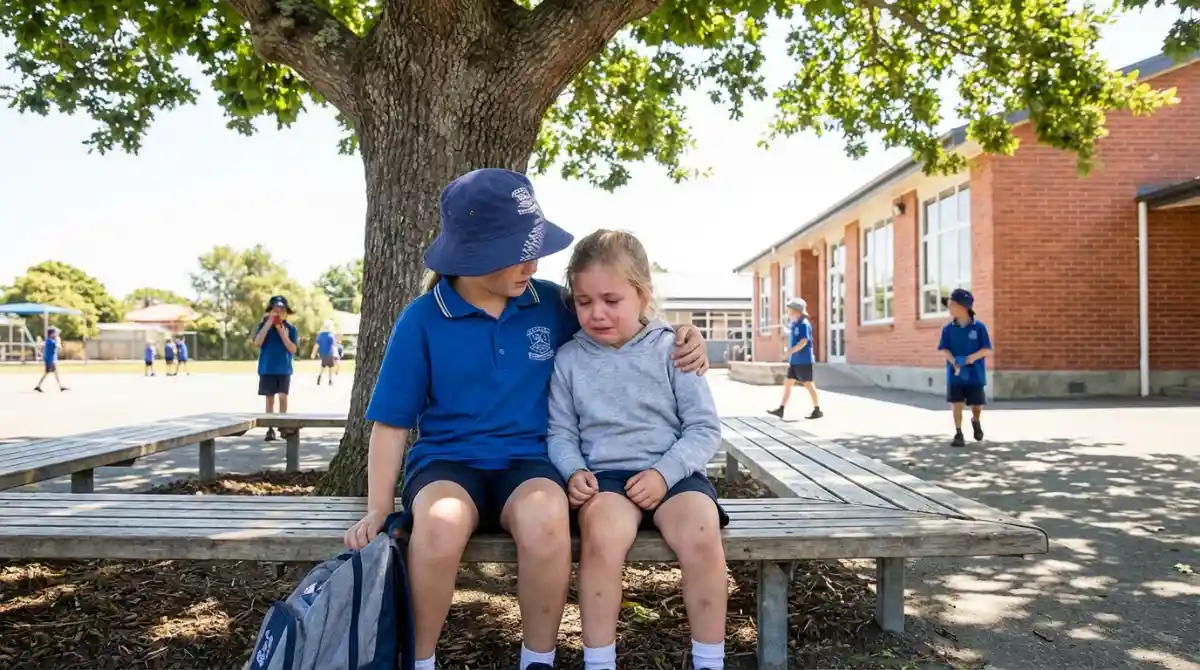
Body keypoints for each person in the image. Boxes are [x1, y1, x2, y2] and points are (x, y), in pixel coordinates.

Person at [342, 168, 710, 670]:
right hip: (449, 465)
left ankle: (538, 658)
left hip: (531, 463)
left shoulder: (549, 304)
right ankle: (419, 660)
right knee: (441, 525)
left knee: (546, 518)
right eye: (520, 251)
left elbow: (625, 321)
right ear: (472, 254)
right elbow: (390, 423)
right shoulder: (423, 319)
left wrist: (686, 334)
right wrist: (379, 508)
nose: (533, 263)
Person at [547, 230, 728, 670]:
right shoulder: (568, 359)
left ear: (642, 294)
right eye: (584, 302)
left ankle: (710, 660)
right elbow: (560, 432)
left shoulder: (674, 350)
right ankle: (599, 662)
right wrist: (572, 471)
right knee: (601, 539)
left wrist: (664, 474)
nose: (597, 313)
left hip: (674, 475)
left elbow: (704, 428)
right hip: (605, 479)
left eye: (612, 300)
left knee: (702, 536)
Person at [938, 288, 993, 447]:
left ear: (963, 307)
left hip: (975, 373)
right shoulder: (947, 329)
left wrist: (969, 359)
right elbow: (944, 348)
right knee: (956, 403)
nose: (949, 307)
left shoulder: (979, 327)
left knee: (976, 405)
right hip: (955, 373)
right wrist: (953, 361)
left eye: (952, 304)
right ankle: (958, 433)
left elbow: (985, 349)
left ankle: (975, 420)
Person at [767, 297, 822, 420]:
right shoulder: (794, 324)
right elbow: (793, 339)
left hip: (804, 360)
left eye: (790, 310)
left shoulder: (803, 324)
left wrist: (789, 352)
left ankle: (817, 409)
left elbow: (803, 341)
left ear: (797, 311)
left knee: (808, 384)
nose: (788, 313)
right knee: (788, 384)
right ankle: (781, 409)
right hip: (795, 361)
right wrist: (788, 349)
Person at [254, 295, 299, 442]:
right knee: (270, 399)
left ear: (286, 312)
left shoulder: (290, 329)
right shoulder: (263, 327)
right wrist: (268, 324)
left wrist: (282, 333)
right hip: (267, 368)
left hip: (284, 369)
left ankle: (282, 425)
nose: (278, 313)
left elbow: (292, 349)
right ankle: (270, 427)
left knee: (283, 397)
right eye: (275, 309)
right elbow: (257, 342)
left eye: (281, 310)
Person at [34, 327, 67, 392]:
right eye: (54, 333)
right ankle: (60, 387)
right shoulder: (51, 342)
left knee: (50, 373)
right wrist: (59, 340)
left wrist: (57, 339)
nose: (55, 334)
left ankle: (38, 386)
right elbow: (59, 347)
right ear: (51, 334)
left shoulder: (49, 341)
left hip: (50, 361)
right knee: (54, 373)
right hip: (51, 361)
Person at [311, 320, 337, 386]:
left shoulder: (320, 336)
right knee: (330, 367)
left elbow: (316, 345)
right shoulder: (330, 336)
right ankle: (330, 381)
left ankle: (319, 377)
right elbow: (333, 346)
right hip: (329, 354)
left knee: (323, 366)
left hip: (322, 354)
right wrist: (335, 354)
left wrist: (313, 353)